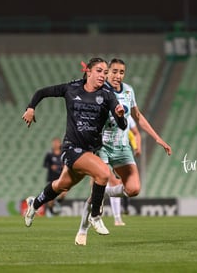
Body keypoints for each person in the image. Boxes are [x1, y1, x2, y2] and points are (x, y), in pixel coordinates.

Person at [22, 57, 127, 235]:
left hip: (89, 151)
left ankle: (35, 203)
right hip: (71, 148)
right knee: (103, 173)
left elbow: (123, 125)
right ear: (89, 71)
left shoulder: (108, 95)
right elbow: (42, 92)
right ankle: (95, 216)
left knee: (61, 186)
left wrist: (120, 115)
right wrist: (31, 107)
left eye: (105, 72)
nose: (104, 75)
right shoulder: (72, 88)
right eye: (99, 71)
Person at [75, 58, 172, 246]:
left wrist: (157, 137)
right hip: (102, 146)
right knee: (100, 181)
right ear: (107, 72)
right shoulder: (99, 90)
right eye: (114, 71)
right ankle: (82, 229)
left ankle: (101, 194)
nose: (118, 76)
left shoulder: (128, 91)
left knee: (134, 189)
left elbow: (137, 116)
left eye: (121, 72)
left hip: (123, 147)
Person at [43, 137, 65, 216]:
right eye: (54, 143)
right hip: (51, 177)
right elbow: (45, 164)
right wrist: (51, 166)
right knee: (51, 197)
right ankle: (51, 211)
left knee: (64, 193)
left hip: (61, 177)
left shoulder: (63, 153)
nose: (56, 144)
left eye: (57, 142)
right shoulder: (49, 154)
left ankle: (57, 203)